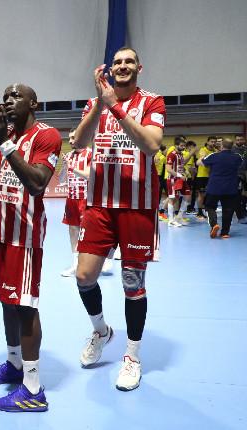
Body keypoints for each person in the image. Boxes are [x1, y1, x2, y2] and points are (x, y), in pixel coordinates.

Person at [72, 47, 165, 391]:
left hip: (137, 207)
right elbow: (79, 141)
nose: (122, 66)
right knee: (84, 276)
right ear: (110, 70)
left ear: (139, 67)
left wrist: (115, 107)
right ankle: (101, 331)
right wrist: (101, 104)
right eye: (117, 62)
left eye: (128, 62)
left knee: (132, 283)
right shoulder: (95, 103)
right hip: (99, 204)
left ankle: (132, 356)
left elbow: (151, 145)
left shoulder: (152, 102)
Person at [0, 84, 61, 412]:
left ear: (33, 103)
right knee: (7, 302)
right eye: (5, 97)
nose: (8, 101)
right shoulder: (3, 135)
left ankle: (33, 389)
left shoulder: (46, 135)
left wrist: (5, 143)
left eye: (16, 96)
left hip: (24, 235)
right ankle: (14, 364)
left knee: (25, 306)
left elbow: (37, 183)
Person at [59, 129, 91, 276]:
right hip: (71, 198)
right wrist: (65, 166)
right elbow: (61, 179)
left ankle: (90, 263)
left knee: (87, 232)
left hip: (87, 199)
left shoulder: (91, 153)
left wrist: (72, 167)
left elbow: (89, 175)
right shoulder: (69, 156)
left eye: (73, 138)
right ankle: (75, 263)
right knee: (73, 230)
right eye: (70, 138)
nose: (70, 141)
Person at [197, 138, 243, 238]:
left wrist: (202, 157)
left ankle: (214, 224)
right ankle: (225, 233)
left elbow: (199, 163)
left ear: (222, 146)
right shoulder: (237, 157)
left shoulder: (214, 155)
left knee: (209, 207)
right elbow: (241, 165)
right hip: (231, 188)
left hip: (214, 187)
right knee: (228, 210)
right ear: (232, 146)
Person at [164, 138, 196, 227]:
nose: (183, 147)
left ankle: (179, 217)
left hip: (181, 179)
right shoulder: (171, 154)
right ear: (176, 145)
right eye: (181, 146)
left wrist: (185, 172)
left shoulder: (181, 154)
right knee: (172, 199)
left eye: (184, 146)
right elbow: (168, 169)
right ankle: (171, 220)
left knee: (188, 195)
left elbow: (181, 166)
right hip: (173, 180)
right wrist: (179, 175)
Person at [194, 136, 218, 219]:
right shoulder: (203, 150)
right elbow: (202, 160)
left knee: (209, 194)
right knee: (201, 195)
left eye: (214, 142)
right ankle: (199, 212)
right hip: (202, 176)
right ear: (207, 142)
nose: (213, 143)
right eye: (211, 141)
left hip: (211, 176)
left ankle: (207, 210)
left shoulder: (215, 151)